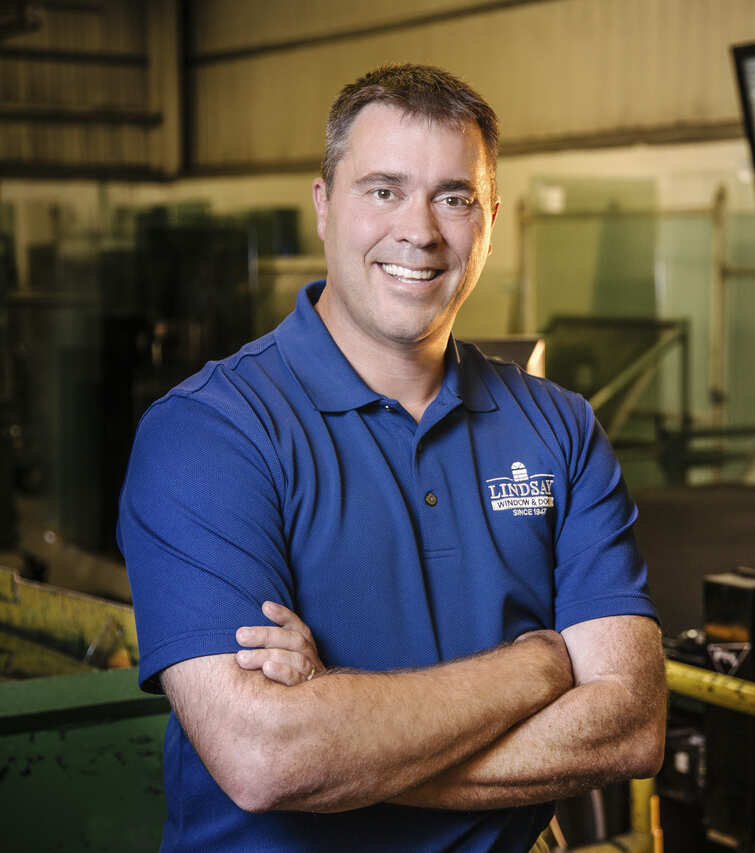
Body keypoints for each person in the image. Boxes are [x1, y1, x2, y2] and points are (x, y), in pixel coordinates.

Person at [118, 64, 666, 852]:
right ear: (323, 203)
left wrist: (339, 735)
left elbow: (631, 727)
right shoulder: (211, 432)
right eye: (383, 190)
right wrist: (540, 667)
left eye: (454, 196)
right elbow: (266, 756)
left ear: (490, 218)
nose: (420, 230)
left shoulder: (560, 428)